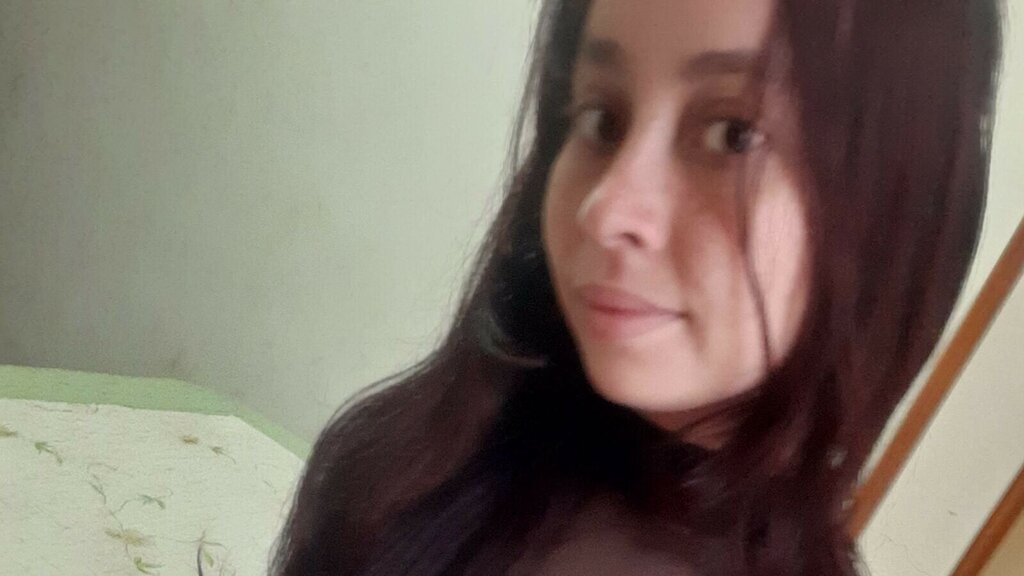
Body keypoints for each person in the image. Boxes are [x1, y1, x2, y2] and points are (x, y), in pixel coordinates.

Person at [271, 0, 1002, 574]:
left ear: (893, 207)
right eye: (602, 118)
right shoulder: (412, 459)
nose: (606, 208)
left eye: (733, 134)